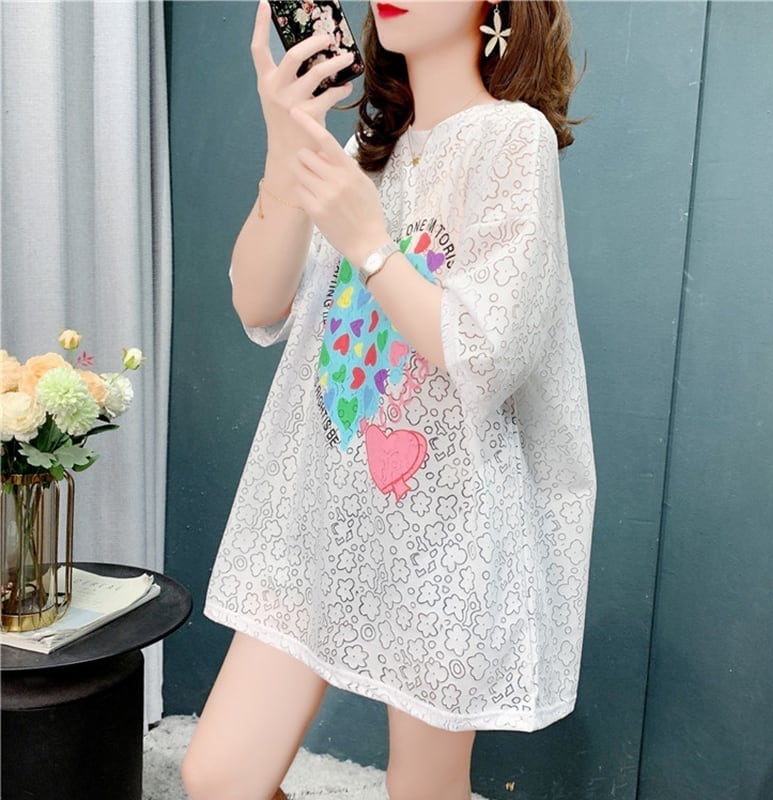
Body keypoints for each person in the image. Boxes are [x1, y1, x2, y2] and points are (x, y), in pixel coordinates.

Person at [182, 1, 595, 799]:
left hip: (445, 535)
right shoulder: (365, 154)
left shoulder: (513, 140)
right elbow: (258, 303)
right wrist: (287, 141)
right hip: (318, 515)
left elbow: (488, 352)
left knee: (423, 791)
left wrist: (370, 244)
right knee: (218, 776)